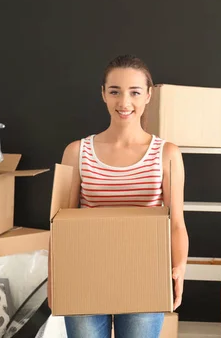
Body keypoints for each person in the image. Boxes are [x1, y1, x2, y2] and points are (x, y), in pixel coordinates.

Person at [53, 55, 189, 338]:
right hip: (85, 274)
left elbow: (176, 222)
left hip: (145, 275)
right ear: (103, 94)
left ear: (148, 95)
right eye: (115, 91)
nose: (124, 102)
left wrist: (179, 269)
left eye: (135, 92)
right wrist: (55, 279)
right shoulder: (76, 152)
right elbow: (61, 226)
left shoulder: (167, 154)